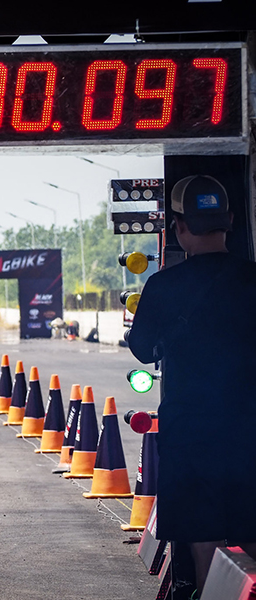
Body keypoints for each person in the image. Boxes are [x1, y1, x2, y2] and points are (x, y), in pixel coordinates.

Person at [127, 175, 256, 594]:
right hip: (249, 430)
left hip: (191, 430)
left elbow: (144, 351)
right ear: (231, 220)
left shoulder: (163, 286)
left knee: (204, 540)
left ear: (178, 228)